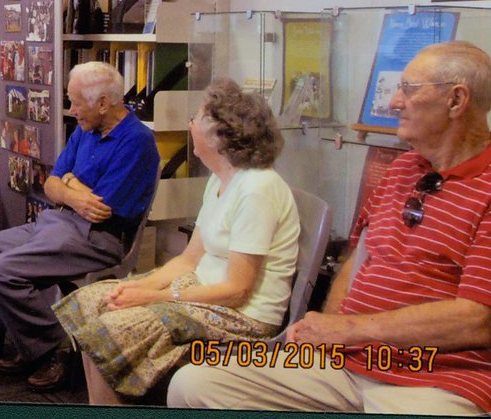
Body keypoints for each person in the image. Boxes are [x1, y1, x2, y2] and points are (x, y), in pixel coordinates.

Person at [168, 41, 491, 416]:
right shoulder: (401, 170)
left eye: (409, 89)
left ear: (456, 100)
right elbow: (358, 260)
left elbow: (476, 319)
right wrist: (328, 333)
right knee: (195, 386)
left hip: (434, 378)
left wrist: (350, 330)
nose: (394, 102)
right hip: (344, 363)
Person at [55, 78, 299, 403]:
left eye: (196, 119)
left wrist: (155, 297)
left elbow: (238, 291)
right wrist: (143, 287)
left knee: (107, 332)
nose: (190, 124)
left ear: (220, 137)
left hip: (244, 317)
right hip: (201, 288)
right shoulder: (220, 179)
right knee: (90, 302)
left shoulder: (257, 189)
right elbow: (189, 258)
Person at [0, 61, 159, 391]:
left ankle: (52, 348)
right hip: (57, 222)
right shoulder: (85, 129)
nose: (71, 109)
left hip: (98, 238)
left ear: (103, 103)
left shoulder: (137, 142)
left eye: (76, 102)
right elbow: (50, 185)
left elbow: (100, 210)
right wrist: (69, 187)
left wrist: (67, 186)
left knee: (0, 272)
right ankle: (25, 337)